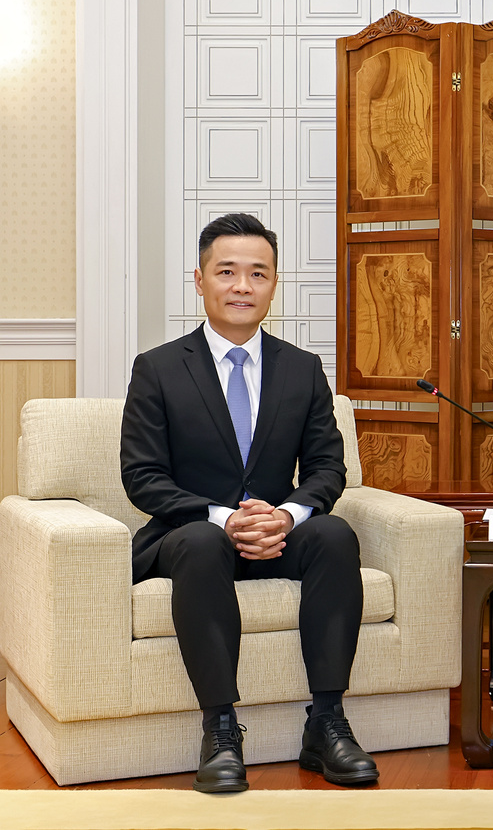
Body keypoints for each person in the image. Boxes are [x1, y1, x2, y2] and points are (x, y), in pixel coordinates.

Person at [121, 213, 378, 793]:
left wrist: (285, 515)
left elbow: (327, 468)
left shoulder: (302, 369)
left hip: (275, 533)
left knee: (334, 535)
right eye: (227, 272)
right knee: (201, 540)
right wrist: (223, 517)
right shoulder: (158, 369)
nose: (242, 286)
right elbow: (142, 477)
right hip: (192, 538)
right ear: (200, 280)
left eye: (258, 274)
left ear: (274, 284)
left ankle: (327, 723)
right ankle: (219, 729)